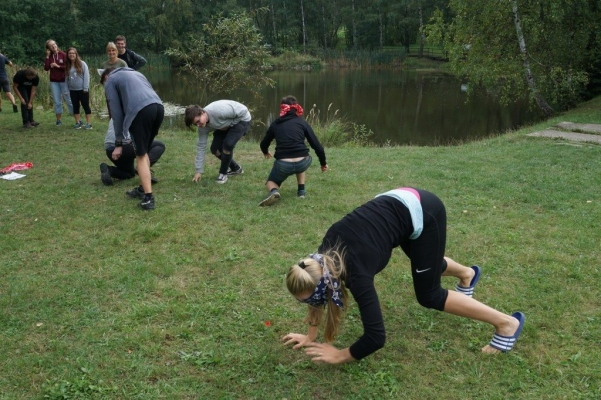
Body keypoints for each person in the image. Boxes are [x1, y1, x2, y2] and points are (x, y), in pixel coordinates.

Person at [283, 187, 526, 364]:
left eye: (313, 299)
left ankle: (507, 324)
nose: (312, 304)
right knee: (425, 263)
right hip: (395, 202)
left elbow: (376, 337)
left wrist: (341, 354)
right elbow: (317, 294)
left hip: (424, 210)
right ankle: (467, 274)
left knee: (428, 294)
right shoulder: (319, 261)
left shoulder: (356, 276)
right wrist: (310, 335)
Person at [101, 67, 164, 210]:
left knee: (140, 155)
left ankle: (148, 199)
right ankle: (143, 188)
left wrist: (119, 143)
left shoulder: (111, 81)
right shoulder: (136, 73)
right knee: (145, 151)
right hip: (159, 107)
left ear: (106, 76)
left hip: (141, 112)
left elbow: (116, 114)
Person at [259, 95, 328, 206]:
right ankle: (301, 191)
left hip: (283, 164)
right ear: (296, 108)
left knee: (271, 182)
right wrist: (323, 164)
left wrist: (266, 152)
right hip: (303, 162)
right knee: (301, 153)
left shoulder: (276, 124)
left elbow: (263, 144)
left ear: (282, 108)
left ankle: (274, 191)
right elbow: (317, 146)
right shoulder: (302, 122)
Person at [184, 101, 251, 184]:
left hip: (242, 119)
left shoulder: (220, 111)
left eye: (198, 121)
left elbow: (244, 111)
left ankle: (223, 174)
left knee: (227, 145)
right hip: (224, 125)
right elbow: (201, 147)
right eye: (195, 124)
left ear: (202, 113)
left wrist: (230, 125)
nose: (198, 125)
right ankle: (236, 169)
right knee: (214, 149)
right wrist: (198, 171)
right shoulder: (202, 127)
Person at [100, 119, 165, 185]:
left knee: (130, 174)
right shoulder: (135, 114)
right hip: (123, 147)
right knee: (159, 145)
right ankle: (143, 167)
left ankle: (109, 169)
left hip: (109, 150)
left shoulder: (116, 113)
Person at [44, 39, 73, 126]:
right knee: (57, 101)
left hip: (63, 80)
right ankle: (59, 120)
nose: (53, 46)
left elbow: (68, 67)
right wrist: (47, 57)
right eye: (51, 45)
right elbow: (46, 68)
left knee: (68, 99)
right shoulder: (50, 56)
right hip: (54, 82)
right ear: (48, 48)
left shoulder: (63, 54)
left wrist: (57, 66)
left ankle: (76, 117)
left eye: (54, 44)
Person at [65, 47, 92, 130]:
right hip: (72, 90)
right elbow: (66, 78)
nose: (71, 55)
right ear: (68, 55)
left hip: (82, 89)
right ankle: (77, 122)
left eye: (73, 53)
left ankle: (88, 123)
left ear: (76, 54)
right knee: (75, 106)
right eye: (70, 53)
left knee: (85, 105)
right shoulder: (67, 65)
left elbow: (86, 76)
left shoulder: (82, 63)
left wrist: (85, 88)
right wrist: (66, 89)